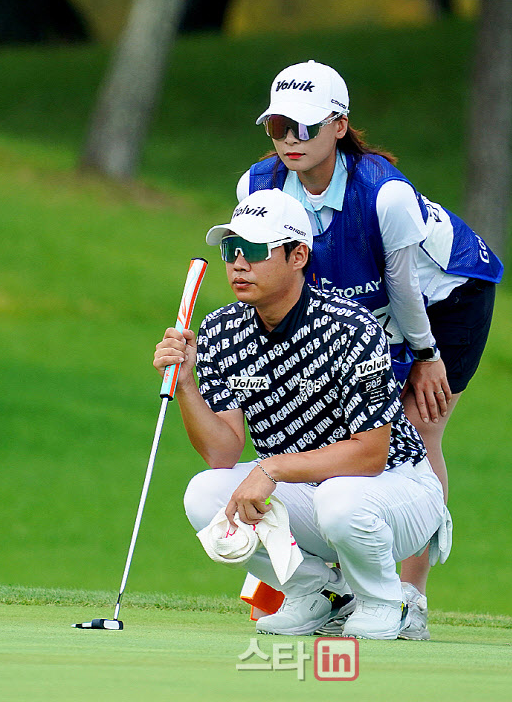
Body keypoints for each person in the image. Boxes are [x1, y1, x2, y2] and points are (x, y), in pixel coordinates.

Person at [237, 60, 503, 639]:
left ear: (339, 126)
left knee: (416, 426)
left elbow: (403, 290)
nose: (290, 139)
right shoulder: (257, 185)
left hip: (445, 298)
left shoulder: (385, 194)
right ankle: (337, 585)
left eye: (304, 128)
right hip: (363, 300)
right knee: (334, 425)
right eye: (279, 125)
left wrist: (426, 358)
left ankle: (411, 597)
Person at [153, 189, 447, 640]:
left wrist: (271, 468)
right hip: (307, 491)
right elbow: (221, 452)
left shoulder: (352, 328)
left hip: (397, 488)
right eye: (231, 250)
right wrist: (188, 384)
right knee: (204, 494)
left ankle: (389, 601)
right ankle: (317, 593)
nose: (238, 263)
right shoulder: (219, 330)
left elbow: (370, 455)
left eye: (254, 250)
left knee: (340, 501)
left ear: (298, 256)